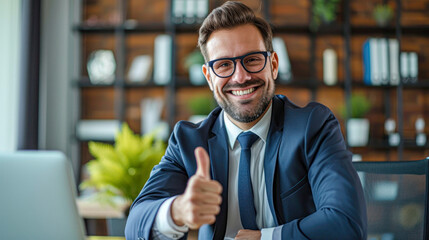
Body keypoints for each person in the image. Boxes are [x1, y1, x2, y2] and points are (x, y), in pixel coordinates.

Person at [125, 1, 367, 239]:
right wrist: (178, 210)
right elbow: (135, 224)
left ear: (273, 65)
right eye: (223, 65)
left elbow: (347, 223)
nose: (240, 77)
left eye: (252, 60)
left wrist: (266, 238)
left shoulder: (312, 127)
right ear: (209, 78)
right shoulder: (189, 141)